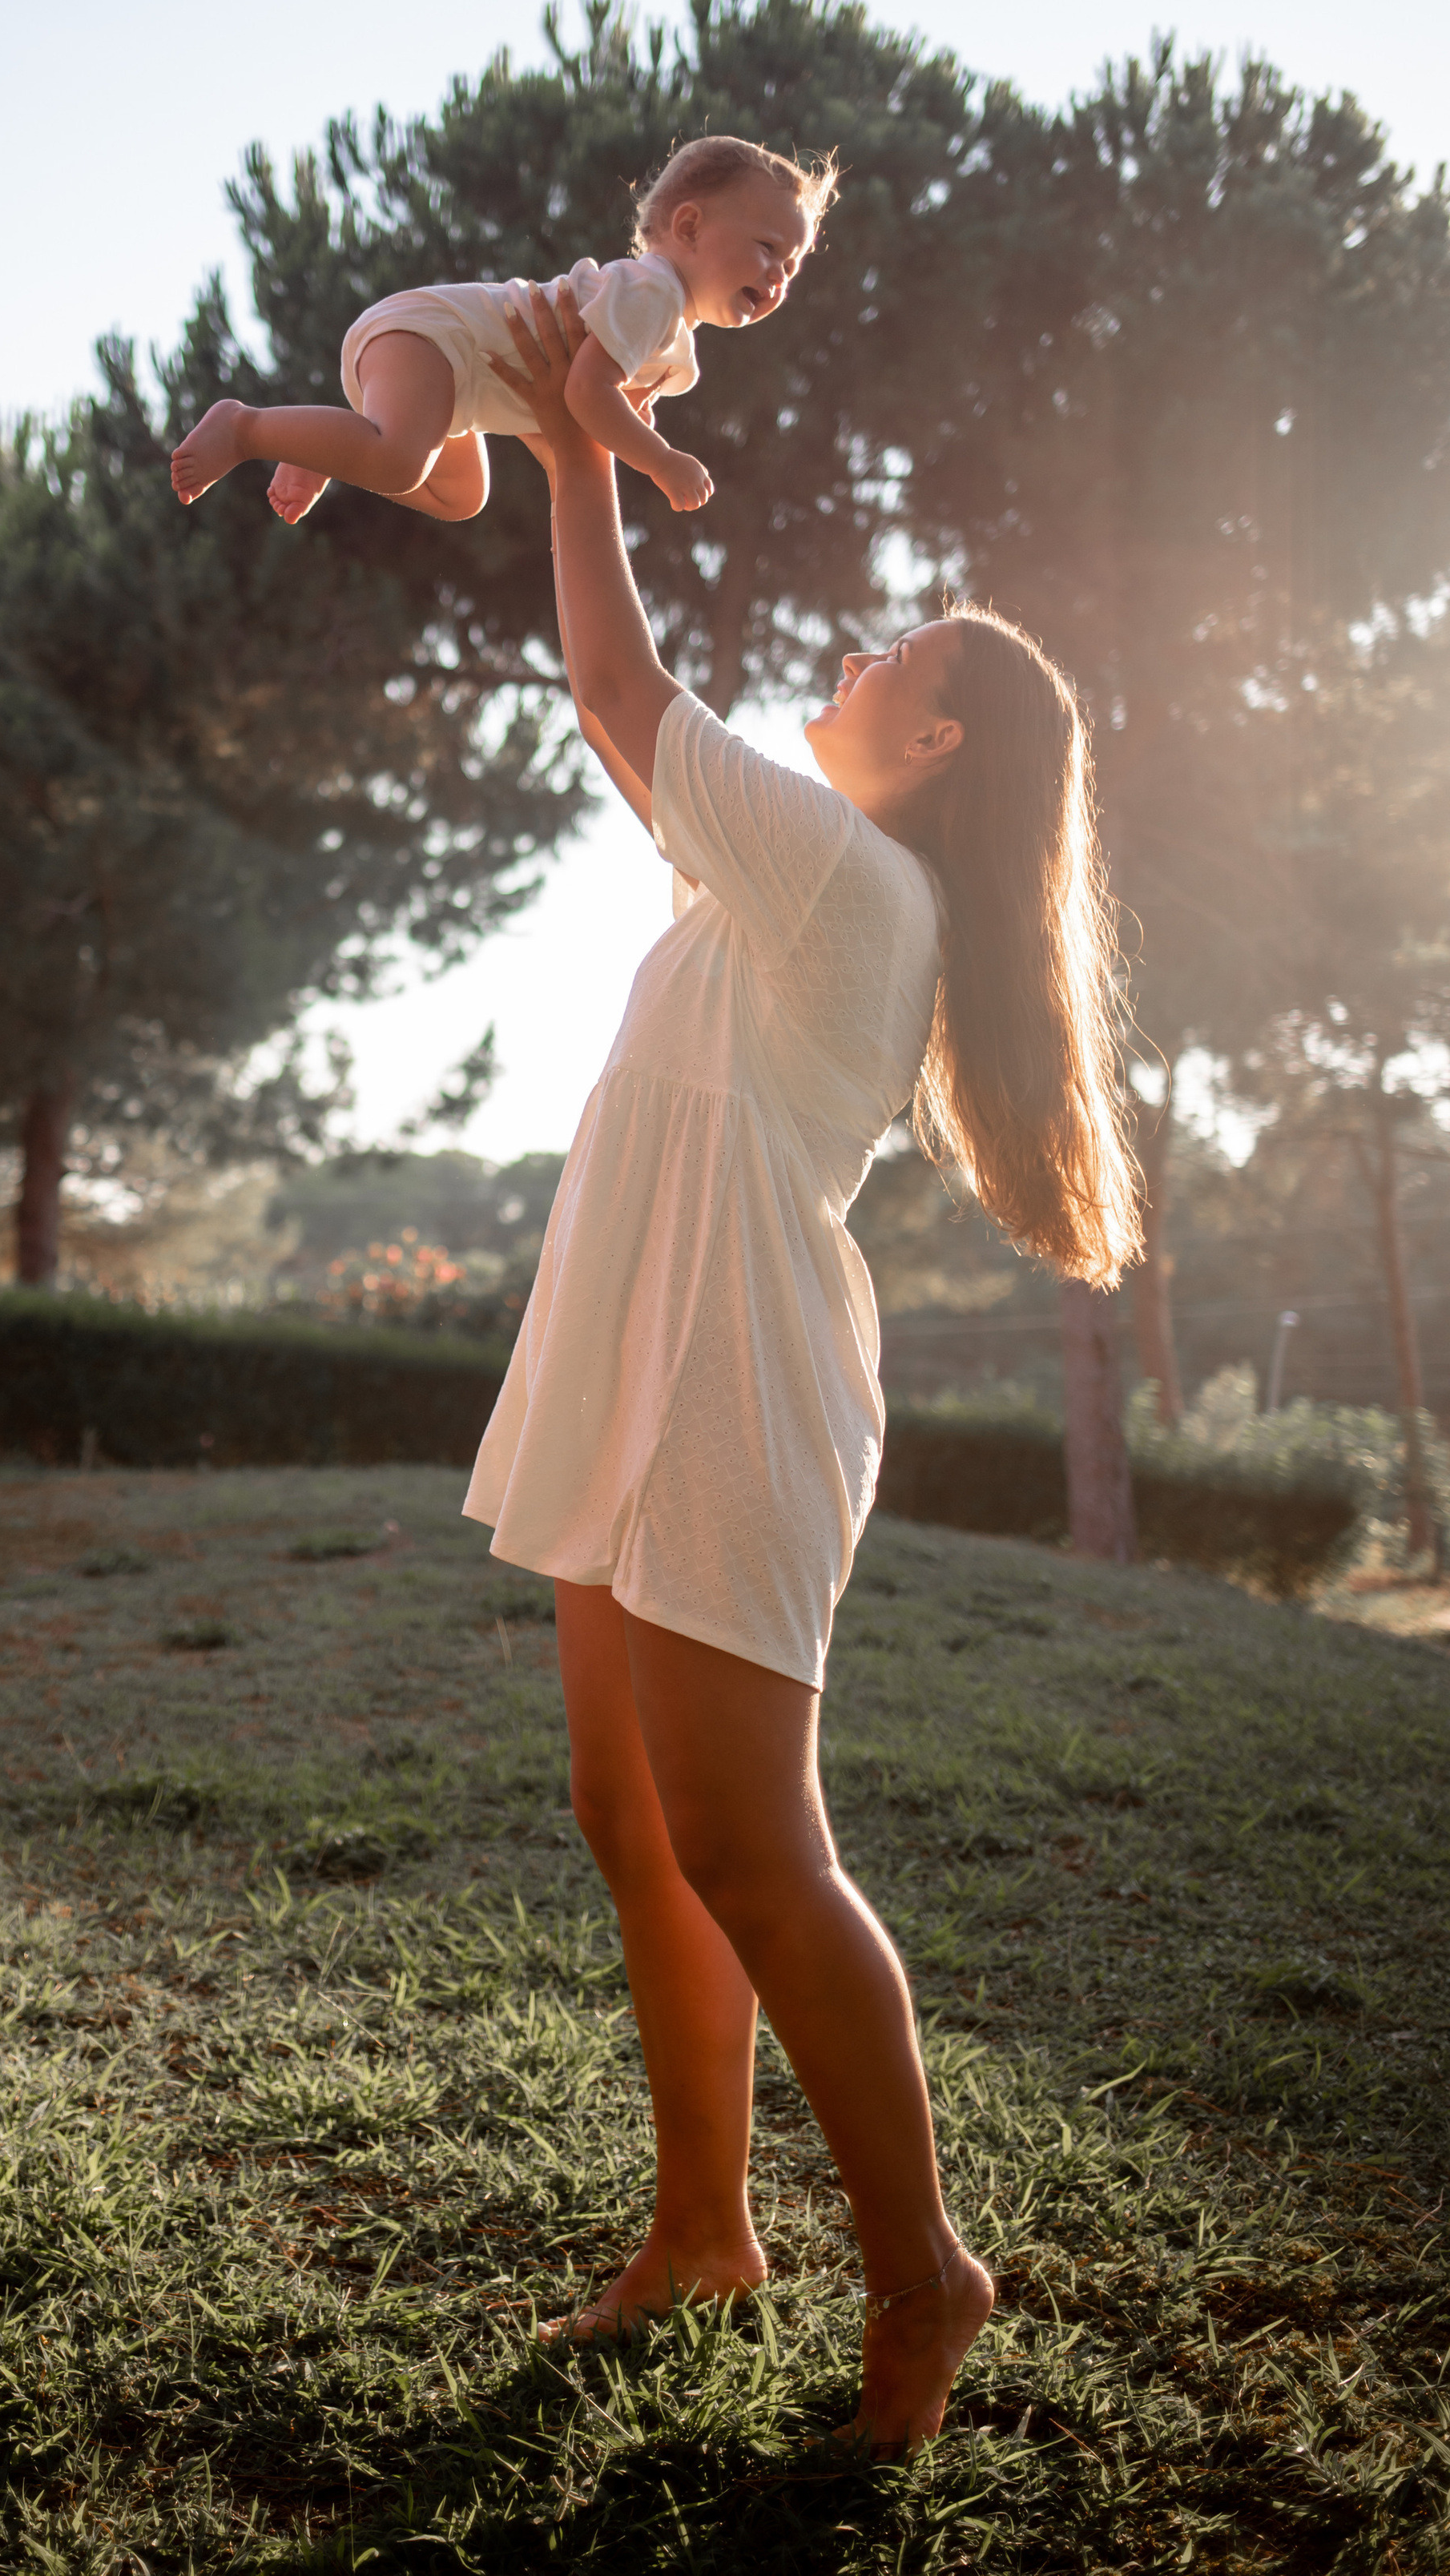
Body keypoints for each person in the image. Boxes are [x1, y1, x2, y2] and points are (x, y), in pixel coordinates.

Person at [465, 288, 1142, 2453]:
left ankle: (925, 2272)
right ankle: (700, 2233)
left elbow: (612, 683)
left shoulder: (853, 884)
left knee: (755, 1846)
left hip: (736, 1380)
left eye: (885, 670)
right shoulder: (812, 880)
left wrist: (581, 459)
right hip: (635, 1333)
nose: (846, 675)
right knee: (626, 1813)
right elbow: (631, 732)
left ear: (934, 747)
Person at [167, 136, 833, 525]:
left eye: (796, 267)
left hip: (455, 382)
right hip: (437, 342)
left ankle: (326, 445)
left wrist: (613, 433)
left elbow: (578, 413)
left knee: (461, 499)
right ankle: (249, 426)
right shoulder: (653, 291)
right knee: (402, 460)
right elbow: (585, 398)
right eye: (769, 248)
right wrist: (661, 461)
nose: (780, 277)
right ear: (689, 228)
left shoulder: (663, 332)